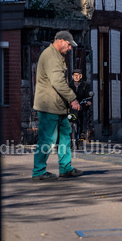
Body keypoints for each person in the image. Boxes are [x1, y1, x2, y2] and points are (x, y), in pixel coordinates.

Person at [32, 30, 82, 180]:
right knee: (48, 139)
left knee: (65, 135)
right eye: (69, 45)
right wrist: (72, 99)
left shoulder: (57, 55)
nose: (70, 48)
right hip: (49, 106)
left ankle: (65, 168)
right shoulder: (51, 56)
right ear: (61, 41)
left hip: (58, 106)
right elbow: (58, 82)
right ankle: (39, 171)